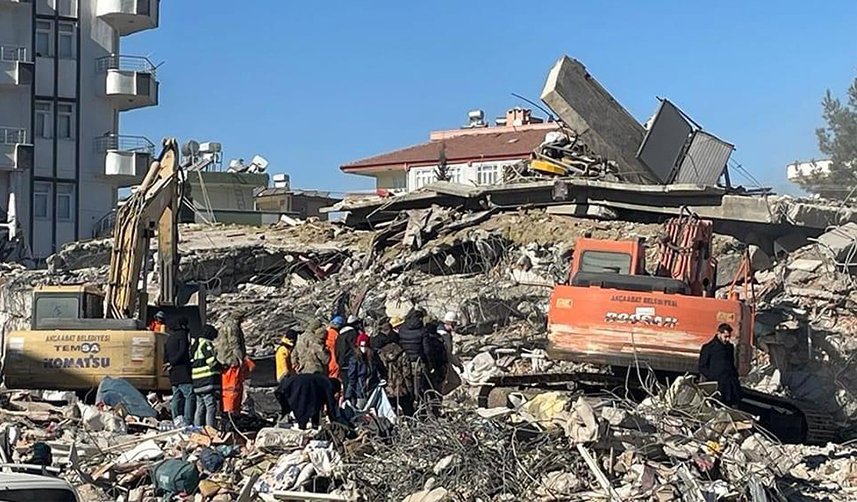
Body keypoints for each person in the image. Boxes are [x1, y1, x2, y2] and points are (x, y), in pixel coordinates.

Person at [274, 374, 342, 430]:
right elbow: (330, 404)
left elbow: (317, 404)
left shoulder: (321, 380)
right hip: (302, 386)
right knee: (303, 405)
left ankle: (306, 426)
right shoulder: (329, 385)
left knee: (302, 405)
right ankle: (303, 427)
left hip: (294, 383)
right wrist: (334, 421)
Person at [699, 323, 742, 405]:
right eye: (725, 337)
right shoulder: (708, 348)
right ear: (719, 334)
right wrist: (712, 377)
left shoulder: (730, 347)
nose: (727, 339)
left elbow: (731, 363)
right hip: (717, 385)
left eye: (729, 337)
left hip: (730, 384)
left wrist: (735, 377)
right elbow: (702, 366)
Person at [163, 318, 195, 424]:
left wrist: (168, 363)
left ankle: (175, 419)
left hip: (172, 372)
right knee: (189, 395)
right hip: (182, 371)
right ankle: (188, 419)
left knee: (176, 396)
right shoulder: (182, 335)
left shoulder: (169, 338)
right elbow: (183, 351)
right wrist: (173, 362)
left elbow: (165, 355)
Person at [398, 308, 431, 408]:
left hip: (404, 362)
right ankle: (421, 409)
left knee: (408, 386)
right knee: (420, 388)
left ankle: (410, 409)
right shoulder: (422, 331)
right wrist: (430, 363)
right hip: (418, 363)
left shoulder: (402, 329)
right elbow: (427, 349)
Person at [345, 333, 386, 409]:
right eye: (361, 346)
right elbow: (352, 377)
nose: (363, 348)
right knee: (361, 411)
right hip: (360, 391)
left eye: (365, 346)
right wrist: (349, 394)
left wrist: (383, 379)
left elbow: (381, 369)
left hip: (373, 389)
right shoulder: (354, 359)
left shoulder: (373, 357)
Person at [191, 324, 221, 428]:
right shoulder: (206, 344)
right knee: (210, 406)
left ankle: (198, 429)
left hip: (196, 380)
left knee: (200, 406)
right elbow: (211, 361)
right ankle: (211, 429)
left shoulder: (195, 345)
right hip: (206, 380)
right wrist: (221, 367)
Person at [377, 341, 415, 416]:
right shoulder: (402, 353)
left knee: (390, 410)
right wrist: (410, 388)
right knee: (407, 409)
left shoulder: (381, 354)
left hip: (388, 387)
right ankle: (410, 423)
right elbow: (406, 373)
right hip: (401, 386)